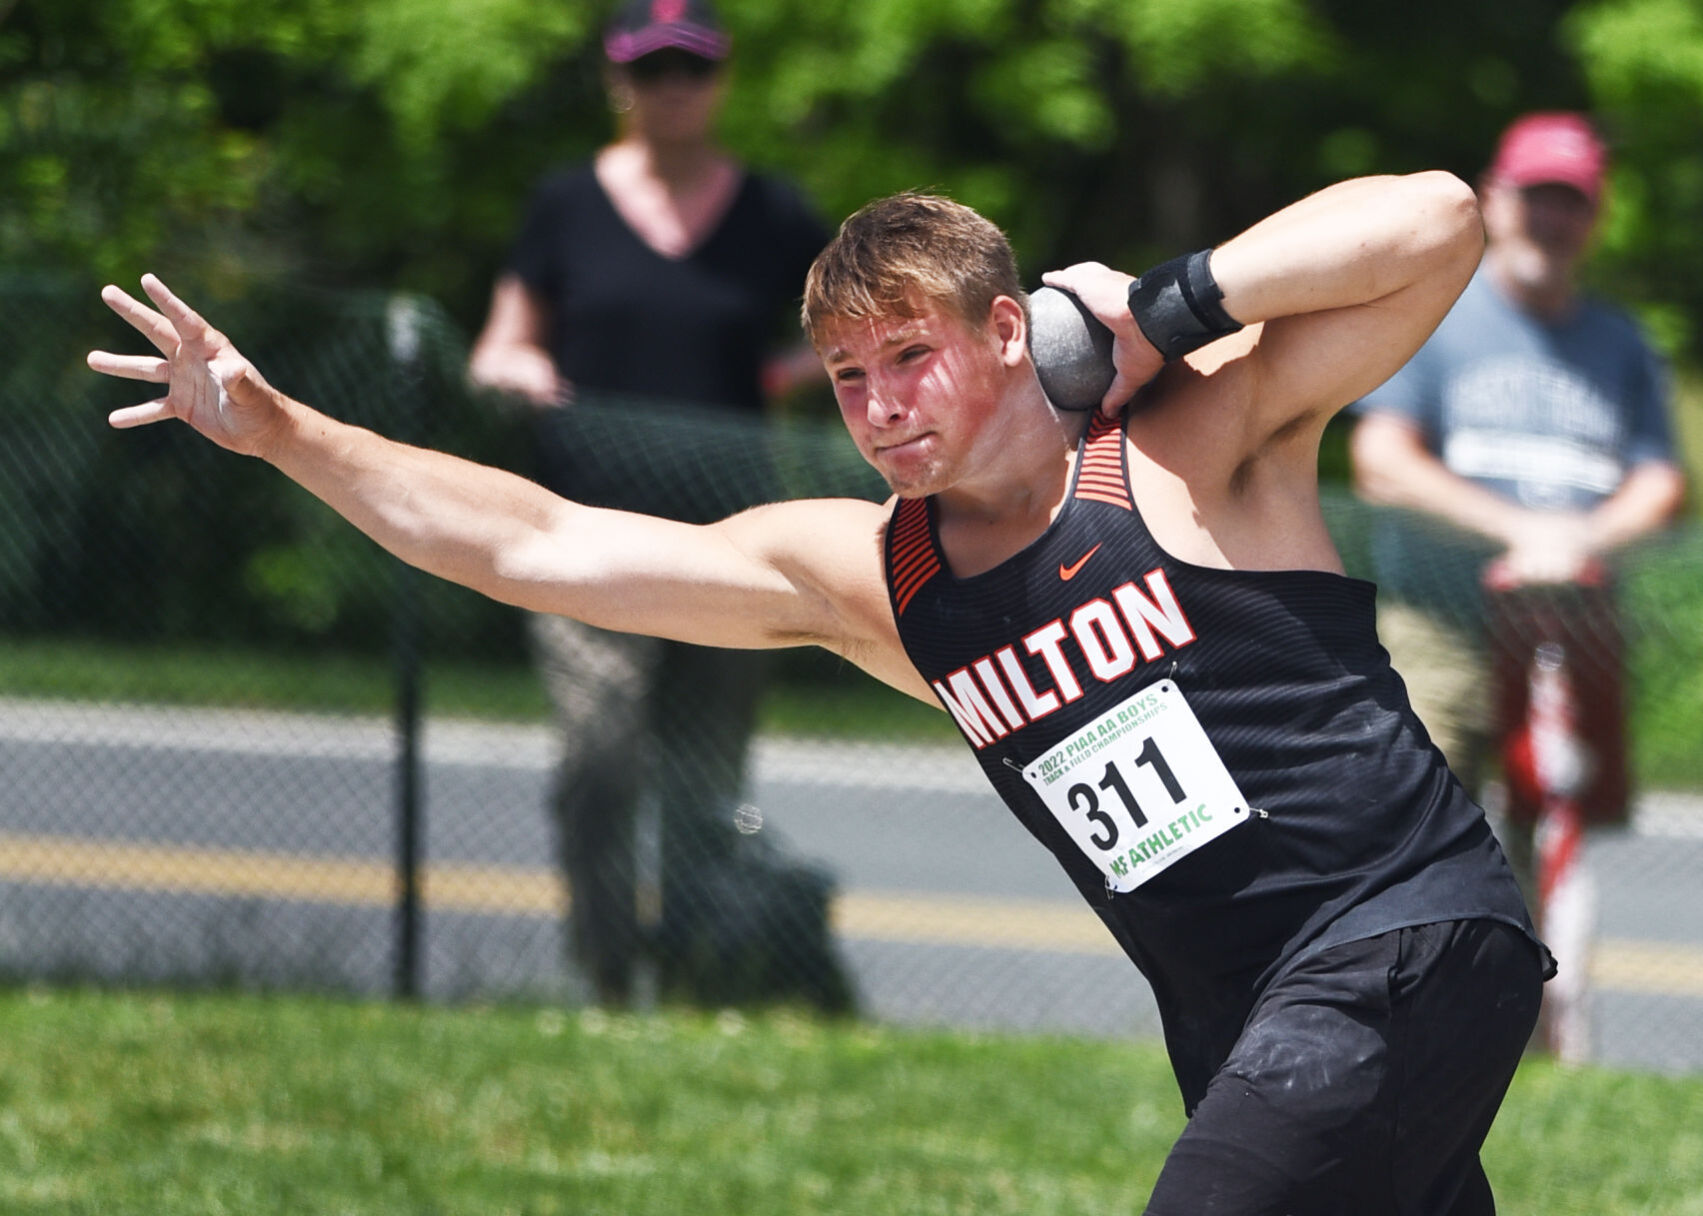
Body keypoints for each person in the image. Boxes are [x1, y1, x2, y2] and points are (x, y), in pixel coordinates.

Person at [92, 167, 1552, 1213]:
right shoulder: (874, 580)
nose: (879, 407)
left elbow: (1433, 220)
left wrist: (1168, 304)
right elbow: (541, 544)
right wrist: (285, 431)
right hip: (1237, 1014)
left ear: (1007, 332)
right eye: (847, 377)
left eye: (910, 356)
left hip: (1397, 937)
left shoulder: (1186, 449)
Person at [465, 0, 835, 1008]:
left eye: (692, 69)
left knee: (706, 784)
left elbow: (855, 322)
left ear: (718, 82)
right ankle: (608, 977)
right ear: (617, 81)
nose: (673, 88)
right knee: (599, 762)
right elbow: (503, 339)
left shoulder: (770, 212)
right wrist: (519, 371)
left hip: (729, 541)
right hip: (583, 537)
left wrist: (789, 374)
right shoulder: (567, 205)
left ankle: (696, 974)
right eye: (652, 68)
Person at [1349, 113, 1687, 896]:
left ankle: (1542, 1022)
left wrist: (1581, 540)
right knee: (1416, 847)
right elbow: (1381, 462)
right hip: (1440, 630)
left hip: (1573, 633)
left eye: (1571, 200)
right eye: (1537, 195)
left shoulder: (1623, 341)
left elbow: (1658, 481)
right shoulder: (1436, 313)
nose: (1552, 217)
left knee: (1552, 874)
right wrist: (1520, 532)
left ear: (1594, 217)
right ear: (1494, 200)